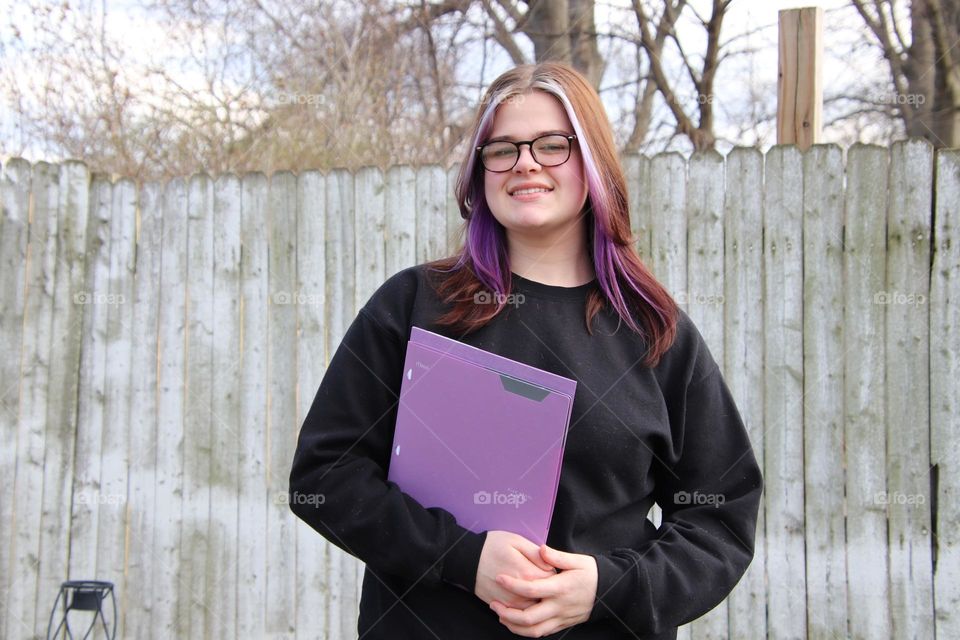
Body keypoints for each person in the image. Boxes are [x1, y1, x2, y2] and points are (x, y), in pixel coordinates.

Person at [289, 62, 762, 639]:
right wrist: (462, 559)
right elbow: (326, 477)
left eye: (551, 145)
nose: (526, 163)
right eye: (503, 149)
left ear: (593, 163)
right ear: (480, 172)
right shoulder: (414, 305)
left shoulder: (655, 332)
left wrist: (607, 588)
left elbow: (719, 520)